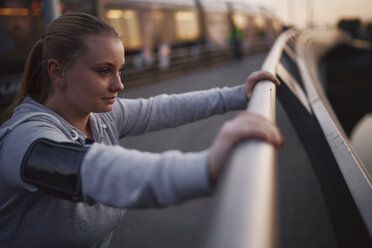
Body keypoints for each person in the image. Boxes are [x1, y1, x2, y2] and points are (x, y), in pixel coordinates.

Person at [0, 13, 283, 247]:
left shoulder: (99, 116)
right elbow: (98, 170)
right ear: (57, 72)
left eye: (120, 71)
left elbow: (162, 108)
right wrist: (206, 167)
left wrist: (238, 95)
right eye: (103, 71)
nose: (118, 85)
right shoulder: (25, 140)